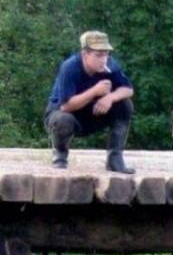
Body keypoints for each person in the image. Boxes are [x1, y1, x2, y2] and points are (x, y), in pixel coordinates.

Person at [44, 31, 135, 174]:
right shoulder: (70, 67)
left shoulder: (110, 65)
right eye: (98, 55)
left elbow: (128, 89)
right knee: (62, 119)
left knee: (125, 106)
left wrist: (110, 98)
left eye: (106, 54)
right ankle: (60, 158)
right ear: (85, 54)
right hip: (67, 115)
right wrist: (95, 91)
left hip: (93, 112)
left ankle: (115, 160)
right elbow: (66, 106)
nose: (103, 60)